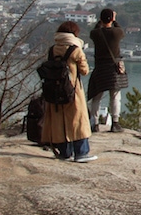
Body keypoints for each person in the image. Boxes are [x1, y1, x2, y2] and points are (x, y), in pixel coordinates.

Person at [41, 21, 98, 162]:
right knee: (78, 120)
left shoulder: (52, 49)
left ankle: (65, 152)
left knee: (59, 121)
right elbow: (84, 71)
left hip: (54, 91)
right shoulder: (75, 50)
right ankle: (81, 152)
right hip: (72, 90)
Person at [88, 8, 129, 132]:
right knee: (115, 96)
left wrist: (101, 22)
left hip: (100, 68)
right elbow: (121, 30)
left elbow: (95, 29)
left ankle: (94, 123)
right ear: (111, 19)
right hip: (113, 68)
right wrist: (114, 21)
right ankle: (115, 122)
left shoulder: (95, 34)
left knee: (96, 96)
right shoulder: (116, 33)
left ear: (100, 19)